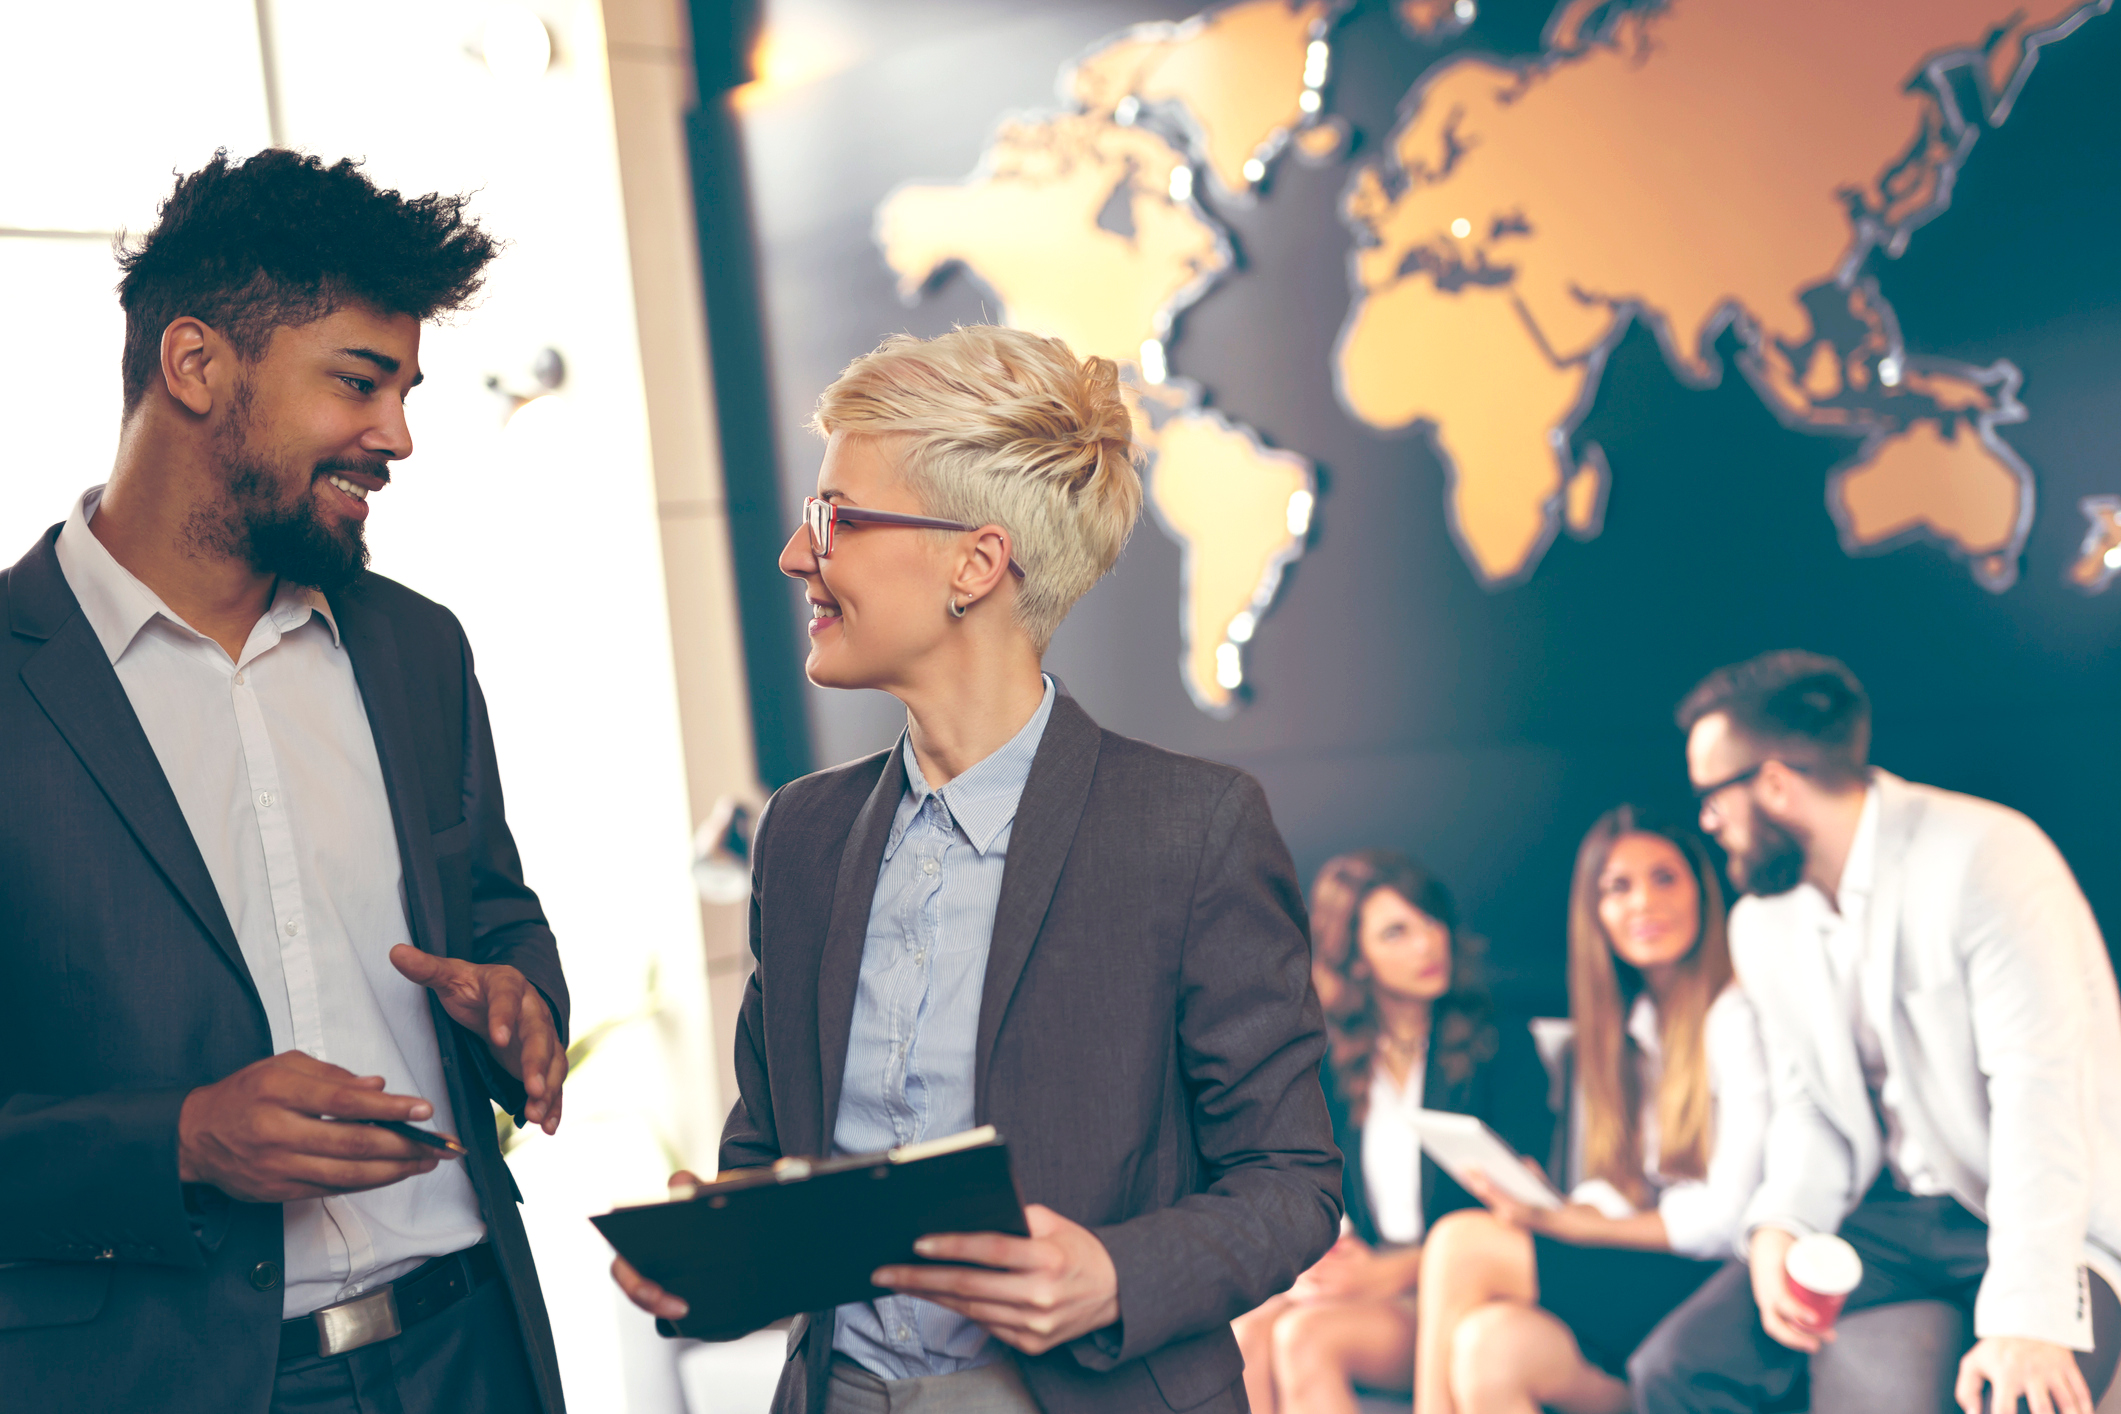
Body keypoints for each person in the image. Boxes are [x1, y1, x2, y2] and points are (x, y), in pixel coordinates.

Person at [613, 325, 1341, 1413]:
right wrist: (716, 1257)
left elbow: (1293, 1182)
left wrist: (1112, 1274)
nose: (797, 553)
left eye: (838, 518)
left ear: (975, 563)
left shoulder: (1191, 828)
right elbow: (769, 1155)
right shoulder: (803, 836)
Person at [0, 151, 570, 1414]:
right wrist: (183, 1138)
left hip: (470, 1351)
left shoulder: (419, 646)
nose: (399, 436)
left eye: (405, 389)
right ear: (196, 366)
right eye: (360, 384)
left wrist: (521, 999)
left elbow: (496, 912)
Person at [1632, 650, 2121, 1414]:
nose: (1707, 824)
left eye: (1710, 797)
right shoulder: (1762, 921)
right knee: (1675, 1368)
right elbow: (1810, 1108)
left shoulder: (1984, 856)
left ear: (1772, 784)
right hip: (1889, 1219)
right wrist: (1779, 1224)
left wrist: (2026, 1318)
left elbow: (2041, 1096)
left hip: (2035, 1206)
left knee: (2024, 1398)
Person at [1412, 807, 1768, 1414]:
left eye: (1664, 879)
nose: (1642, 905)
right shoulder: (1625, 1031)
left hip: (1721, 1284)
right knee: (1487, 1348)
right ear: (1595, 914)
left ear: (1702, 893)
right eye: (1617, 888)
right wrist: (1568, 1206)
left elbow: (1729, 1220)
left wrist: (1583, 1227)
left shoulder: (1739, 1016)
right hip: (1648, 1276)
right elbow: (1623, 1187)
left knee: (1460, 1244)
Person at [1233, 851, 1555, 1413]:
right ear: (1356, 960)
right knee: (1249, 1330)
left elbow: (1527, 1206)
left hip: (1455, 1292)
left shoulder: (1501, 1045)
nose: (1428, 945)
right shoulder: (1332, 1062)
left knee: (1305, 1338)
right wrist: (1322, 1261)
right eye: (1397, 932)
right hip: (1375, 1284)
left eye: (1431, 922)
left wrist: (1386, 1273)